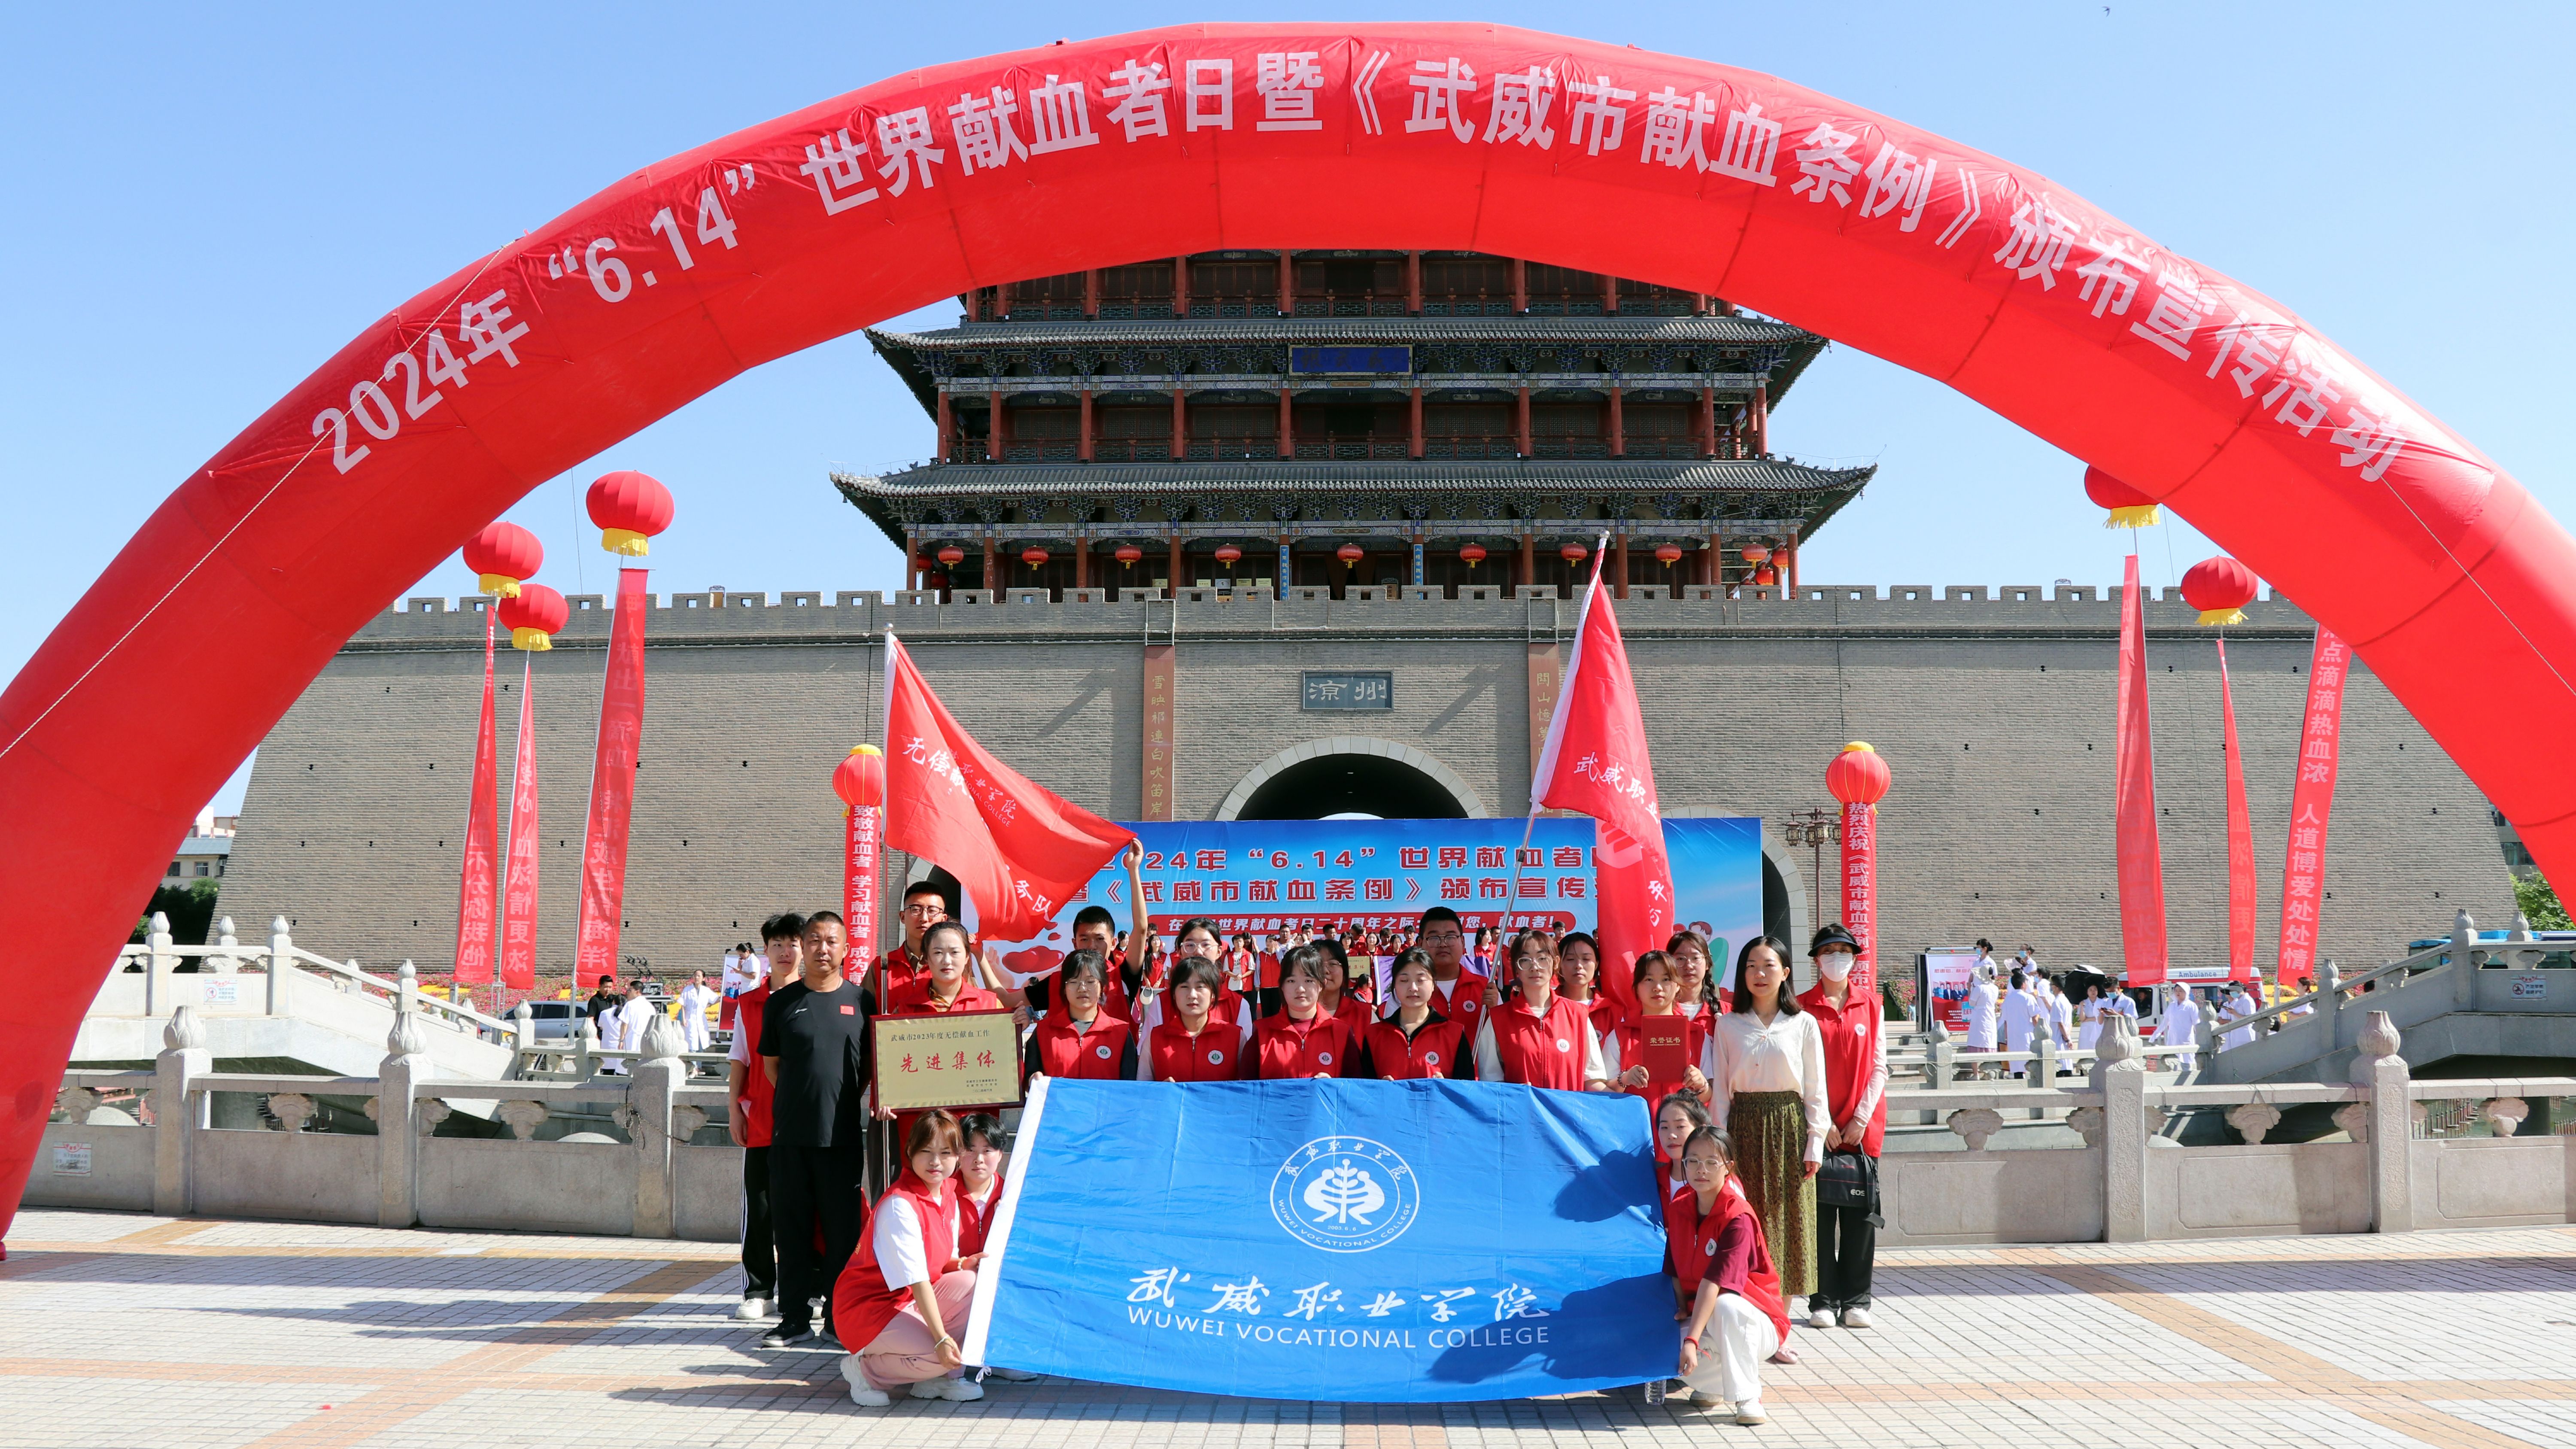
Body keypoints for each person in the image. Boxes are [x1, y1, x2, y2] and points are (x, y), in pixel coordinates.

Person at [758, 910, 872, 1349]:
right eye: (814, 941)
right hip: (790, 1137)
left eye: (831, 941)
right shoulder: (781, 1003)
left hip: (841, 1138)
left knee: (843, 1233)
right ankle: (794, 1318)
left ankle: (840, 1319)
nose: (823, 949)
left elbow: (866, 1071)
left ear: (846, 949)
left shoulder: (862, 1002)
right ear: (803, 947)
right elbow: (772, 1066)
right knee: (792, 1231)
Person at [1708, 936, 1827, 1355]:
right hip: (1741, 1128)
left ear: (1786, 972)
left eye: (1769, 965)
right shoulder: (1727, 1025)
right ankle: (1742, 1328)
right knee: (1743, 1226)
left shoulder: (1803, 1023)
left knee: (1787, 1229)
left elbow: (1816, 1089)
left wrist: (1815, 1142)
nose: (1760, 974)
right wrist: (1719, 1148)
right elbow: (1721, 1095)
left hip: (1789, 1128)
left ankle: (1779, 1333)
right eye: (1751, 966)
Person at [832, 1111, 984, 1405]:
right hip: (869, 1310)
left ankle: (941, 1379)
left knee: (971, 1281)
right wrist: (941, 1339)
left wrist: (964, 1264)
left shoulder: (947, 1192)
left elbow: (944, 1262)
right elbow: (917, 1280)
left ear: (958, 1156)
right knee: (937, 1356)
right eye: (926, 1151)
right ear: (910, 1151)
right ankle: (865, 1371)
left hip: (905, 1302)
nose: (935, 1162)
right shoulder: (900, 1204)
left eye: (945, 1153)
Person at [1666, 1125, 1789, 1425]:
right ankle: (1716, 1386)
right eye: (1694, 1161)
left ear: (1729, 1167)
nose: (1701, 1170)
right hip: (1703, 1314)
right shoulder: (1679, 1207)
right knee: (1659, 1341)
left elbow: (1715, 1284)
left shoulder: (1738, 1217)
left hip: (1756, 1320)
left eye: (1712, 1162)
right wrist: (1680, 1308)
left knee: (1726, 1306)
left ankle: (1748, 1396)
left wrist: (1692, 1340)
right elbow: (1673, 1268)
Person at [1796, 923, 1884, 1331]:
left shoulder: (1871, 1004)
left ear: (1854, 958)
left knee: (1859, 1219)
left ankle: (1857, 1300)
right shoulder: (1800, 1007)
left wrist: (1860, 1118)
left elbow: (1879, 1067)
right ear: (1817, 959)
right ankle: (1823, 1300)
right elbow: (1797, 1069)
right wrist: (1823, 1122)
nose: (1837, 958)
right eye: (1829, 951)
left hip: (1861, 1132)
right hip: (1818, 1129)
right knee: (1818, 1218)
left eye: (1844, 951)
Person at [726, 912, 805, 1323]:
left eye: (793, 943)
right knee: (759, 1210)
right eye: (778, 945)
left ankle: (809, 1288)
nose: (786, 952)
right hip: (761, 1119)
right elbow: (739, 1059)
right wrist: (733, 1110)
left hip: (807, 1122)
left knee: (806, 1209)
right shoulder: (749, 1003)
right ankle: (759, 1290)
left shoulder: (817, 997)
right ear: (766, 951)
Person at [1016, 844, 1151, 1020]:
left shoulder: (1123, 976)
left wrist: (1133, 870)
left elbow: (1141, 929)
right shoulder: (1058, 982)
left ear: (1113, 943)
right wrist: (982, 957)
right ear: (1075, 943)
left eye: (1100, 939)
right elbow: (1006, 999)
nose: (1092, 946)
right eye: (1085, 939)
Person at [1474, 929, 1610, 1090]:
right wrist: (1514, 1093)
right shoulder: (1498, 1019)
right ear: (1516, 967)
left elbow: (1593, 1081)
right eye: (1525, 960)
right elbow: (1490, 1083)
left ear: (1556, 962)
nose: (1535, 967)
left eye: (1542, 959)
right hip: (1520, 1106)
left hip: (1565, 1107)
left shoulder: (1578, 1015)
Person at [1603, 950, 1712, 1110]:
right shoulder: (1621, 1035)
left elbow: (1709, 1095)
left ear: (1677, 986)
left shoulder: (1697, 1035)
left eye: (1666, 979)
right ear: (1637, 987)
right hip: (1635, 1123)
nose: (1658, 988)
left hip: (1682, 1124)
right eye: (1649, 980)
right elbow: (1604, 1088)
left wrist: (1702, 1085)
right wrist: (1624, 1079)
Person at [1022, 949, 1137, 1084]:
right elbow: (1029, 1078)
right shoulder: (1043, 1032)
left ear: (1102, 987)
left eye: (1090, 982)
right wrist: (1033, 1079)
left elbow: (1130, 1086)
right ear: (1064, 989)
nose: (1082, 989)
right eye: (1073, 982)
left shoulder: (1121, 1033)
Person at [1358, 949, 1473, 1080]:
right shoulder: (1374, 1035)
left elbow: (1467, 1088)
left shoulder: (1454, 1034)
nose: (1413, 988)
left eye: (1420, 980)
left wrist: (1447, 1087)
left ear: (1433, 984)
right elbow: (1363, 1088)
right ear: (1394, 985)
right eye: (1404, 980)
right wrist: (1379, 1087)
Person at [1251, 945, 1360, 1079]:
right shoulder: (1261, 1033)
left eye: (1309, 981)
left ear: (1321, 985)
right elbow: (1244, 1087)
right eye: (1291, 981)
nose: (1300, 989)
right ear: (1282, 986)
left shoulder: (1341, 1032)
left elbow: (1357, 1086)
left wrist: (1333, 1086)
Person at [1141, 956, 1246, 1081]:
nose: (1192, 995)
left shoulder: (1236, 1037)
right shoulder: (1154, 1039)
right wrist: (1161, 1090)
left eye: (1200, 987)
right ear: (1173, 994)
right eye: (1184, 987)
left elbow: (1247, 1088)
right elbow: (1142, 1089)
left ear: (1213, 993)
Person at [1413, 908, 1492, 1039]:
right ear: (1420, 944)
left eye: (1450, 937)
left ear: (1463, 941)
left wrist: (1496, 1011)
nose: (1443, 944)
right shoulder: (1410, 991)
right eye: (1434, 938)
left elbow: (1503, 1039)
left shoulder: (1486, 989)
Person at [871, 882, 951, 1010]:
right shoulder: (882, 966)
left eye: (932, 911)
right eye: (916, 910)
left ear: (943, 919)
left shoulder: (952, 964)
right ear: (903, 917)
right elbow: (863, 1012)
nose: (924, 918)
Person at [1556, 930, 1622, 1036]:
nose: (1579, 965)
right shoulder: (1546, 1007)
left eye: (1586, 959)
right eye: (1570, 959)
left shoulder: (1612, 1012)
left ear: (1596, 964)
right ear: (1558, 964)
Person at [1652, 1091, 1712, 1202]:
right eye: (1664, 1127)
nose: (1671, 1135)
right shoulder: (1653, 1179)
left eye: (1680, 1127)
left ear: (1701, 1130)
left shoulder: (1717, 1181)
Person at [1667, 931, 1729, 1017]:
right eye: (1680, 959)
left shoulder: (1728, 1013)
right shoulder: (1657, 1010)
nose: (1689, 966)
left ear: (1707, 964)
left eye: (1695, 958)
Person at [2000, 968, 2041, 1078]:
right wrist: (2039, 1033)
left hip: (2013, 1035)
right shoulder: (2028, 998)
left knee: (2016, 1063)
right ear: (2023, 984)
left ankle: (2019, 1079)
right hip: (2026, 1033)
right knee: (2029, 1061)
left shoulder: (2008, 999)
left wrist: (2007, 1038)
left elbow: (2005, 1021)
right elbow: (2035, 1018)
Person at [1963, 963, 2000, 1080]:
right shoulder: (1995, 988)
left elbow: (1972, 1002)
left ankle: (1976, 1073)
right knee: (1989, 1041)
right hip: (1990, 1015)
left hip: (1980, 1015)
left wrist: (1970, 990)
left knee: (1975, 1041)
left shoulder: (1980, 988)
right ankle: (1990, 1073)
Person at [2157, 985, 2202, 1072]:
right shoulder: (2172, 1005)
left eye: (2181, 991)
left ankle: (2187, 1076)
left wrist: (2200, 1037)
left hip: (2186, 1037)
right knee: (2173, 1061)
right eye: (2176, 991)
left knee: (2186, 1062)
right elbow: (2166, 1021)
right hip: (2173, 1036)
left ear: (2186, 992)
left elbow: (2196, 1023)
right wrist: (2156, 1034)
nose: (2178, 993)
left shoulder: (2191, 1006)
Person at [677, 969, 717, 1056]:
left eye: (699, 976)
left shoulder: (706, 990)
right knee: (692, 1044)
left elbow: (717, 999)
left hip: (701, 1019)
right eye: (695, 976)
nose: (696, 978)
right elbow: (683, 1005)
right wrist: (683, 1019)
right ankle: (693, 1064)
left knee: (701, 1044)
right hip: (690, 1019)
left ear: (704, 979)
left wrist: (709, 1005)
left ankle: (699, 1063)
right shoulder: (687, 990)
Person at [2219, 980, 2259, 1050]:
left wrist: (2235, 1013)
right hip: (2237, 1033)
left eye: (2233, 991)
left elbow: (2250, 1019)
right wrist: (2232, 1012)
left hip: (2245, 1033)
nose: (2231, 993)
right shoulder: (2239, 1001)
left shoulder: (2247, 1000)